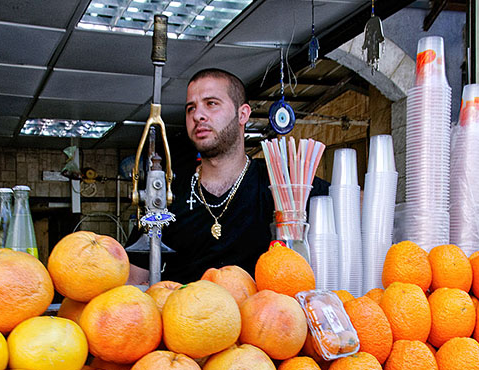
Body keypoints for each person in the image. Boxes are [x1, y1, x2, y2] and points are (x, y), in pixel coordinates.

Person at [126, 68, 328, 285]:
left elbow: (352, 204)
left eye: (211, 103)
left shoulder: (280, 184)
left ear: (243, 114)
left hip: (264, 316)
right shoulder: (166, 196)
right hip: (184, 315)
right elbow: (133, 283)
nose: (197, 115)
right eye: (190, 108)